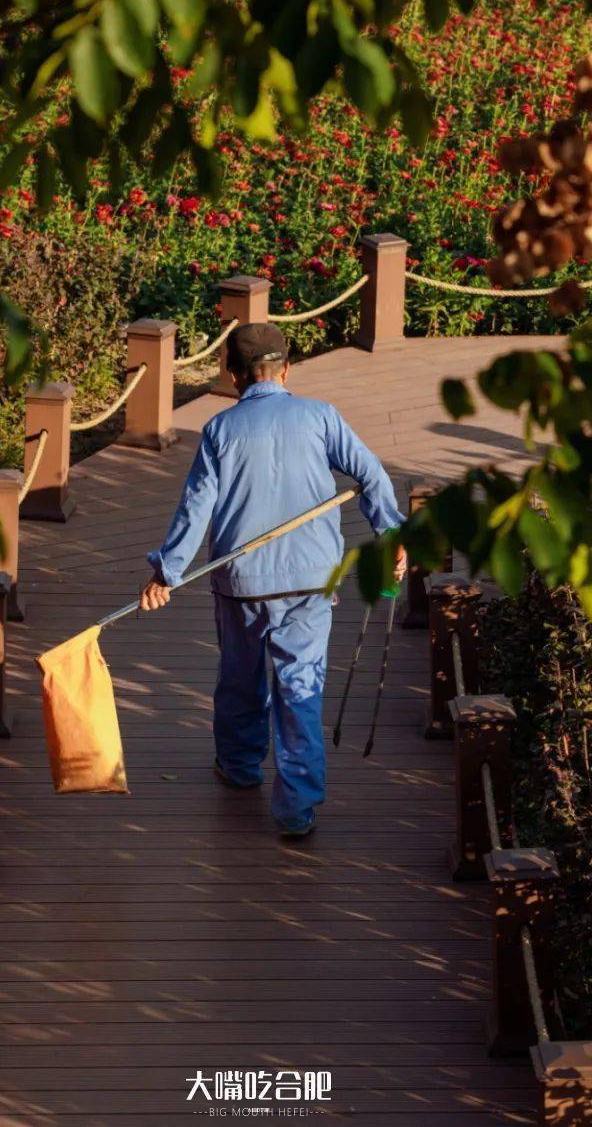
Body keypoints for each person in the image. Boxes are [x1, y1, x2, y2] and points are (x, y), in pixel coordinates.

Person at [140, 322, 406, 838]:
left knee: (240, 678)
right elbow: (371, 474)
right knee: (299, 688)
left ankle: (240, 768)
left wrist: (166, 572)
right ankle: (295, 809)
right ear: (286, 370)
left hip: (240, 581)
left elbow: (197, 507)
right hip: (312, 579)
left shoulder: (219, 429)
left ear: (233, 376)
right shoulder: (321, 416)